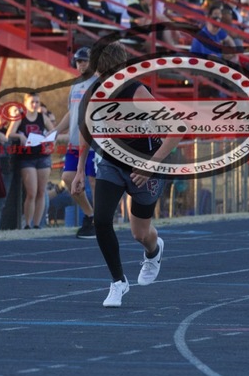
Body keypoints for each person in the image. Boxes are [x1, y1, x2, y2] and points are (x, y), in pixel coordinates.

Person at [72, 41, 182, 307]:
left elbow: (176, 129)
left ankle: (153, 252)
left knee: (140, 234)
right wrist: (79, 171)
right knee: (101, 219)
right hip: (111, 163)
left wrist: (150, 165)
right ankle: (118, 282)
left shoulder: (137, 92)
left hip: (146, 165)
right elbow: (86, 132)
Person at [53, 48, 97, 239]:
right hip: (74, 142)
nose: (81, 65)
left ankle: (101, 222)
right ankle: (91, 214)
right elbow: (72, 112)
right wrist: (55, 131)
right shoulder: (76, 84)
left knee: (96, 183)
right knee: (68, 178)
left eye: (85, 61)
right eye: (79, 62)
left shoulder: (99, 83)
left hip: (94, 143)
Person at [6, 92, 55, 229]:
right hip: (27, 158)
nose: (34, 105)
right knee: (31, 192)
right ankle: (27, 223)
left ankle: (37, 224)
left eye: (37, 102)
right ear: (26, 103)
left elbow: (53, 131)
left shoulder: (42, 117)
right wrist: (20, 137)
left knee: (41, 191)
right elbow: (9, 134)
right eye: (32, 102)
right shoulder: (20, 118)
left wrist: (49, 142)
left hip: (42, 157)